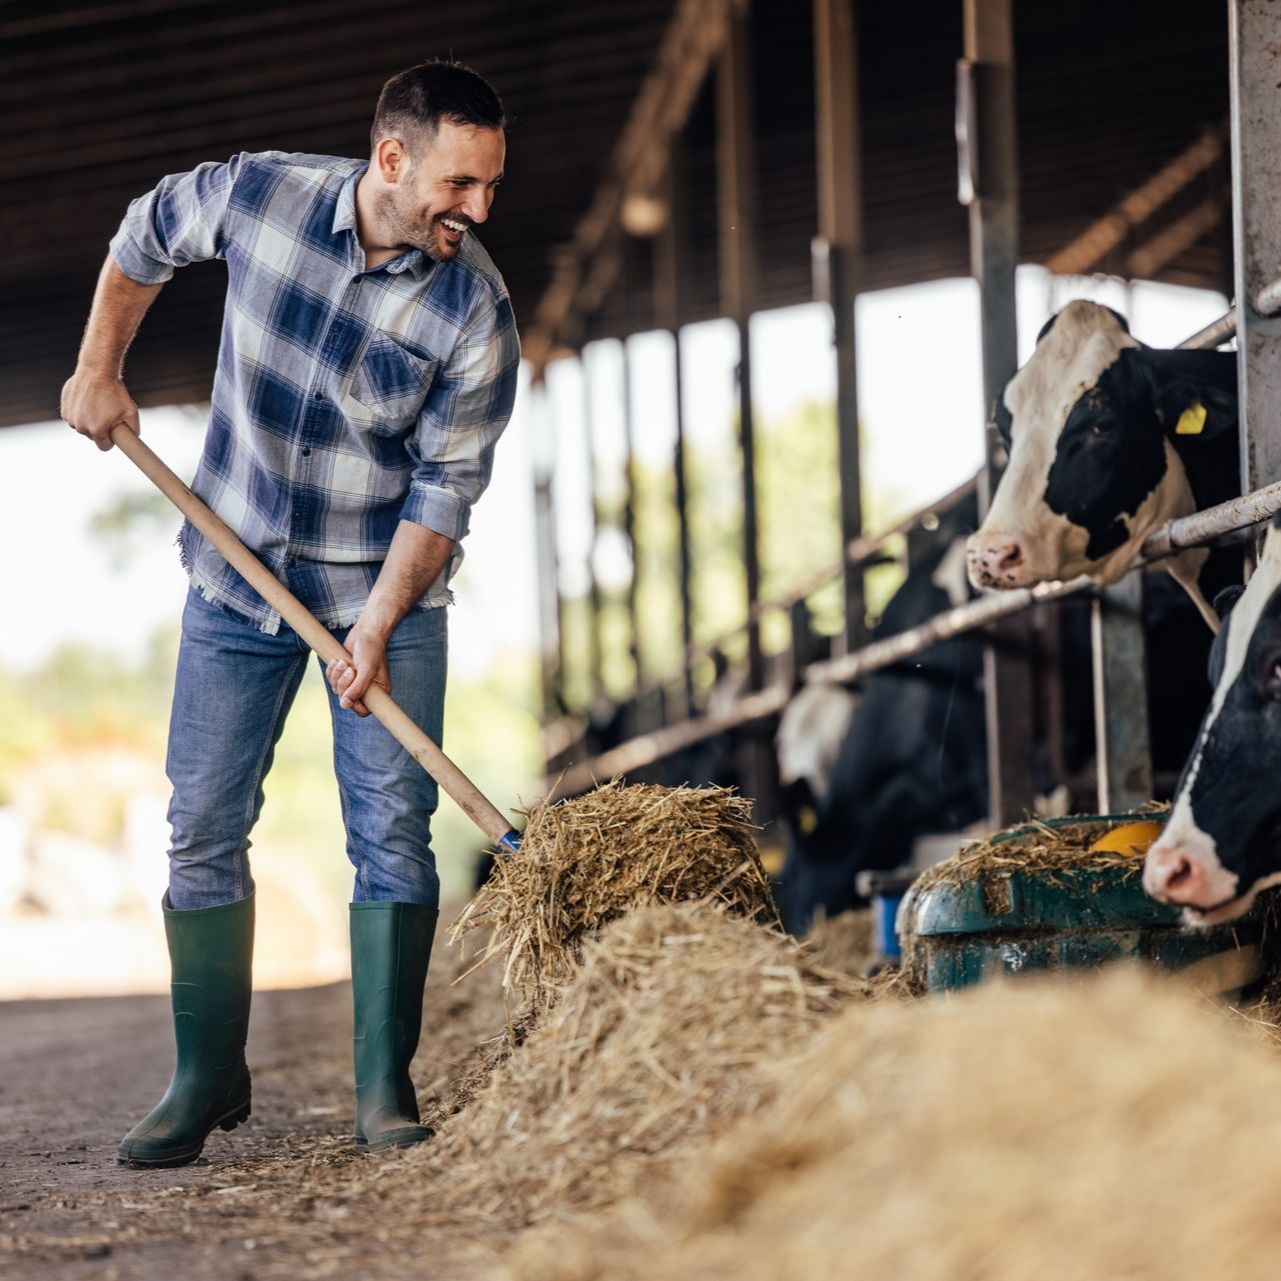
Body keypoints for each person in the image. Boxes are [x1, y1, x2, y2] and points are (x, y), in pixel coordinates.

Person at [59, 60, 518, 1166]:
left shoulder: (476, 310)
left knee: (392, 837)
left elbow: (444, 490)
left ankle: (382, 1091)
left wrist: (375, 624)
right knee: (203, 824)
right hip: (235, 576)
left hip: (387, 591)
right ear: (392, 160)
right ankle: (206, 1076)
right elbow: (145, 231)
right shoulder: (261, 196)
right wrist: (95, 368)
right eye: (461, 183)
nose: (480, 208)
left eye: (493, 186)